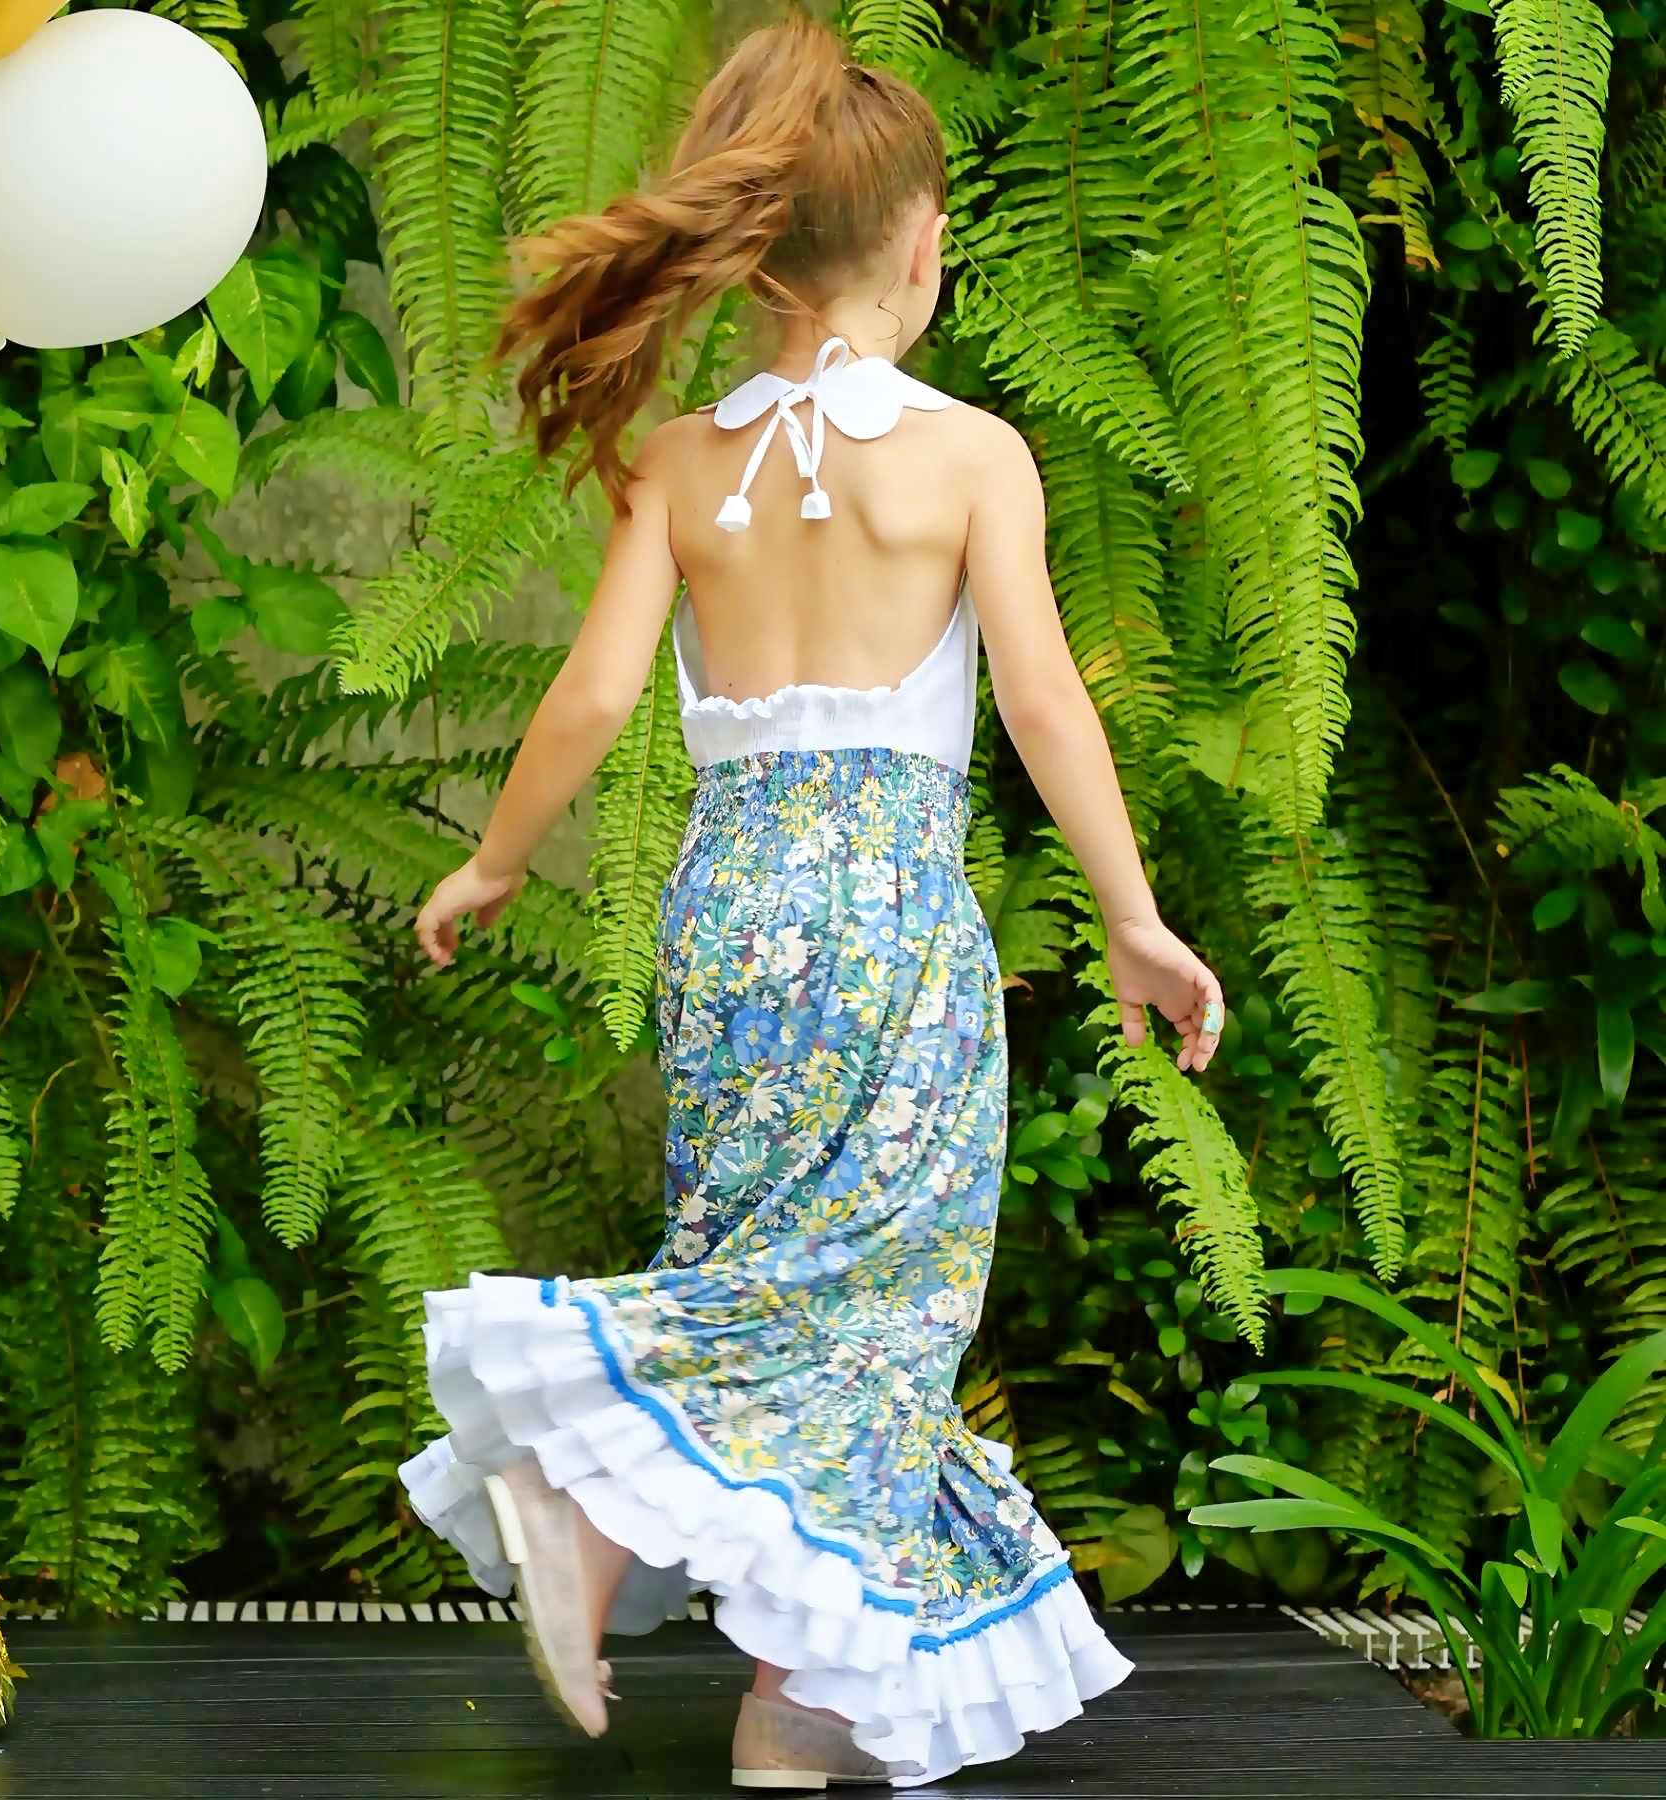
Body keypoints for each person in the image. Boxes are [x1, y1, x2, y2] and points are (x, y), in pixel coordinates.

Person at [402, 14, 1224, 1791]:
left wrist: (486, 858)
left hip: (730, 913)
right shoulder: (969, 456)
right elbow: (1043, 699)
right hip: (896, 926)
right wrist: (1135, 917)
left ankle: (797, 1699)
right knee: (879, 1304)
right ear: (921, 247)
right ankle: (622, 1530)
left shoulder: (680, 465)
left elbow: (602, 697)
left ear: (751, 250)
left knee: (764, 1272)